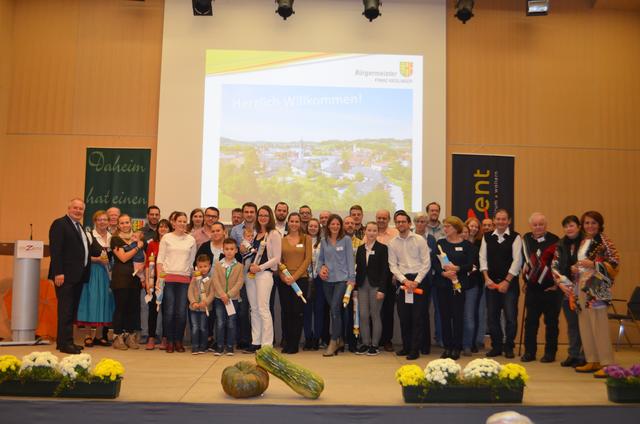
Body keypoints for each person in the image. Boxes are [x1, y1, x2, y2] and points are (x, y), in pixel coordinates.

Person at [573, 211, 619, 377]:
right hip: (582, 286)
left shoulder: (604, 240)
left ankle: (607, 363)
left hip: (597, 287)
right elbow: (582, 263)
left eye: (593, 223)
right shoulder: (584, 241)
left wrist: (593, 264)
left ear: (599, 224)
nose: (590, 226)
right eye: (586, 223)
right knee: (585, 324)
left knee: (599, 325)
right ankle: (592, 359)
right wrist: (576, 269)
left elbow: (614, 263)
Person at [48, 198, 91, 354]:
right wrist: (58, 272)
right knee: (65, 310)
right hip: (64, 276)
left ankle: (64, 342)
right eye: (75, 208)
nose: (78, 211)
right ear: (69, 208)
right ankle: (66, 344)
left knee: (71, 311)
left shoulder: (78, 227)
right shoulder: (60, 224)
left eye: (81, 209)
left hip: (77, 276)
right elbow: (56, 250)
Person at [480, 209, 523, 358]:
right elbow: (482, 259)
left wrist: (506, 281)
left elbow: (518, 261)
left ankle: (509, 346)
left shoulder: (516, 237)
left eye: (504, 219)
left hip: (509, 284)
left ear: (509, 221)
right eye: (498, 219)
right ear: (494, 220)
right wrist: (486, 278)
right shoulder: (486, 237)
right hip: (491, 283)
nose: (501, 222)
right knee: (492, 317)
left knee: (510, 317)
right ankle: (496, 346)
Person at [388, 211, 431, 360]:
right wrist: (405, 281)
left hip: (419, 281)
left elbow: (426, 263)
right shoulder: (393, 243)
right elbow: (393, 266)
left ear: (409, 223)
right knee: (404, 317)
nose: (400, 224)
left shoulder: (419, 240)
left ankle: (415, 349)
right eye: (398, 222)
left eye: (403, 221)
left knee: (417, 317)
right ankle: (406, 347)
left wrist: (416, 281)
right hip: (404, 283)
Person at [520, 213, 562, 363]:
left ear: (546, 225)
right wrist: (525, 280)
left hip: (550, 289)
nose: (538, 227)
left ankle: (550, 353)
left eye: (541, 224)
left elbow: (559, 264)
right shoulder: (525, 239)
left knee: (551, 322)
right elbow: (525, 262)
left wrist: (557, 284)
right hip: (532, 289)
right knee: (530, 322)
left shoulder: (555, 240)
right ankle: (529, 352)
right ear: (530, 226)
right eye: (535, 225)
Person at [433, 216, 474, 360]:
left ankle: (457, 347)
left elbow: (470, 265)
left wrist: (457, 268)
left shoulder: (467, 245)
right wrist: (444, 273)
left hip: (459, 285)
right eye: (444, 226)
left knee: (457, 317)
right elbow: (435, 263)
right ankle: (447, 347)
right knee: (444, 316)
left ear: (456, 228)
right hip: (443, 284)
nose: (445, 229)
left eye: (448, 226)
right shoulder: (440, 243)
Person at [157, 211, 197, 353]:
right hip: (168, 279)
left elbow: (192, 262)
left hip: (184, 280)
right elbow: (160, 260)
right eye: (179, 221)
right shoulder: (166, 237)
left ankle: (178, 341)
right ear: (173, 222)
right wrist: (159, 281)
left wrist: (194, 282)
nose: (182, 223)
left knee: (180, 312)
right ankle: (169, 340)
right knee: (168, 311)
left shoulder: (191, 240)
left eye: (184, 221)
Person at [244, 205, 282, 352]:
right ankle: (256, 341)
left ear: (270, 217)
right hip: (251, 274)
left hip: (264, 274)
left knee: (263, 308)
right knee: (253, 309)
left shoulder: (274, 234)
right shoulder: (255, 233)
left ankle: (267, 344)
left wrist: (260, 267)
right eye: (260, 215)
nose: (263, 217)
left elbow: (277, 258)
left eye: (266, 215)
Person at [318, 214, 356, 356]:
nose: (335, 226)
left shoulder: (346, 240)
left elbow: (350, 260)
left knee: (334, 308)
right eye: (332, 224)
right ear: (328, 226)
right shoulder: (324, 241)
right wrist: (320, 269)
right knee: (336, 311)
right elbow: (320, 260)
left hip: (342, 280)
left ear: (341, 226)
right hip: (327, 281)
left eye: (337, 224)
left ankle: (333, 341)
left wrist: (351, 278)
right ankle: (339, 339)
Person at [551, 215, 586, 368]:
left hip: (585, 289)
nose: (568, 229)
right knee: (572, 324)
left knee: (584, 324)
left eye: (571, 225)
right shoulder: (560, 244)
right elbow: (555, 265)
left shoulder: (587, 243)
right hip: (567, 290)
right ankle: (573, 354)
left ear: (579, 227)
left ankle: (585, 356)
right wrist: (560, 283)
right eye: (566, 226)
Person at [76, 210, 115, 347]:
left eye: (105, 219)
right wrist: (97, 259)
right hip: (93, 272)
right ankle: (88, 335)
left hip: (107, 274)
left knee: (104, 302)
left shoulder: (112, 237)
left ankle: (99, 335)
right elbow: (82, 256)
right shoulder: (89, 236)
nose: (102, 222)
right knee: (91, 301)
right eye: (99, 219)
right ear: (95, 221)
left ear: (109, 222)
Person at [279, 212, 312, 354]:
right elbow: (278, 261)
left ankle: (294, 344)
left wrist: (295, 277)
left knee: (297, 312)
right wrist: (283, 277)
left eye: (296, 221)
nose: (294, 223)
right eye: (291, 221)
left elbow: (307, 259)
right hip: (285, 281)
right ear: (288, 223)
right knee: (286, 312)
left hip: (301, 280)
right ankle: (287, 342)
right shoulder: (281, 239)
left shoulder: (307, 239)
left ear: (300, 223)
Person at [110, 214, 144, 350]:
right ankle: (117, 337)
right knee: (121, 308)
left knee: (133, 308)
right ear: (118, 225)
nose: (125, 225)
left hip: (135, 279)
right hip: (120, 278)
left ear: (131, 223)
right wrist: (137, 247)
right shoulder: (115, 240)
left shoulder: (138, 238)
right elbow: (123, 258)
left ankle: (130, 337)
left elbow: (144, 257)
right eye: (122, 223)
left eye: (127, 222)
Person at [355, 222, 389, 356]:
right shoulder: (360, 249)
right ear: (365, 231)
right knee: (363, 315)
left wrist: (382, 289)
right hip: (363, 285)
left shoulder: (383, 248)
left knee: (375, 315)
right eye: (369, 230)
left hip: (376, 287)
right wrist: (356, 288)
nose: (371, 233)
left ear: (377, 233)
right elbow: (358, 270)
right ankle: (365, 343)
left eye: (374, 230)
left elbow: (385, 271)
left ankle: (374, 345)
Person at [230, 202, 258, 350]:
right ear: (243, 213)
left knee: (259, 307)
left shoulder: (261, 229)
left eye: (251, 212)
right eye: (246, 212)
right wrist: (239, 251)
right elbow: (230, 252)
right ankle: (245, 339)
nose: (249, 214)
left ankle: (259, 340)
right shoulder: (235, 230)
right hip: (242, 274)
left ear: (255, 213)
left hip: (260, 272)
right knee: (243, 308)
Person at [143, 218, 172, 350]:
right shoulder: (152, 244)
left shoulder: (173, 244)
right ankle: (151, 338)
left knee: (167, 310)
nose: (163, 229)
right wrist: (148, 282)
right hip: (154, 281)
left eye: (166, 227)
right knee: (152, 310)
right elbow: (148, 264)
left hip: (168, 280)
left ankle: (165, 338)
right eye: (161, 226)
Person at [212, 239, 244, 355]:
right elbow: (215, 280)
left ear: (236, 250)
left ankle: (230, 346)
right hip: (219, 298)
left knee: (231, 322)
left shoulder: (240, 266)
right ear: (223, 250)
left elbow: (240, 282)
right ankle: (220, 346)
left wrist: (229, 295)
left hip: (233, 299)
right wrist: (222, 294)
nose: (229, 251)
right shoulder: (217, 264)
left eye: (232, 249)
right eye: (227, 249)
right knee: (220, 322)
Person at [414, 211, 440, 353]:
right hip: (410, 281)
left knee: (423, 312)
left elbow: (435, 259)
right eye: (418, 221)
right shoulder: (408, 237)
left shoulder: (431, 239)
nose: (420, 224)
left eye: (423, 221)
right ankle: (413, 344)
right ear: (414, 223)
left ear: (427, 224)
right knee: (412, 313)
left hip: (426, 280)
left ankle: (425, 345)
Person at [376, 209, 399, 352]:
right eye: (379, 218)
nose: (381, 220)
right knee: (374, 311)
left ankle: (387, 340)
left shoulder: (395, 234)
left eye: (384, 218)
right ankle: (375, 339)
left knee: (388, 310)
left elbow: (399, 255)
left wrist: (396, 275)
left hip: (390, 277)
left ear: (389, 219)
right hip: (374, 278)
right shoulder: (370, 232)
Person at [302, 218, 326, 350]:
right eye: (310, 226)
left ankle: (317, 338)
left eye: (315, 226)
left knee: (319, 310)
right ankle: (308, 338)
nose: (312, 228)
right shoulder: (302, 241)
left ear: (319, 228)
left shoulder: (324, 243)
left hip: (320, 280)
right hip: (305, 279)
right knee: (306, 311)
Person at [463, 216, 485, 355]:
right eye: (471, 226)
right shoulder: (456, 244)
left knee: (472, 314)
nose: (473, 229)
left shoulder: (480, 244)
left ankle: (471, 342)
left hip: (474, 284)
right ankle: (463, 342)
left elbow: (480, 264)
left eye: (476, 226)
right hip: (457, 284)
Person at [188, 254, 215, 354]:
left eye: (205, 266)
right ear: (197, 267)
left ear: (209, 266)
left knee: (203, 327)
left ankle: (203, 346)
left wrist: (206, 302)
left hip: (205, 308)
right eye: (200, 267)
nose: (203, 269)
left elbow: (212, 293)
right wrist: (193, 302)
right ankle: (195, 346)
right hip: (194, 308)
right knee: (195, 327)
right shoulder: (194, 278)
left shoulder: (211, 279)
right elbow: (190, 291)